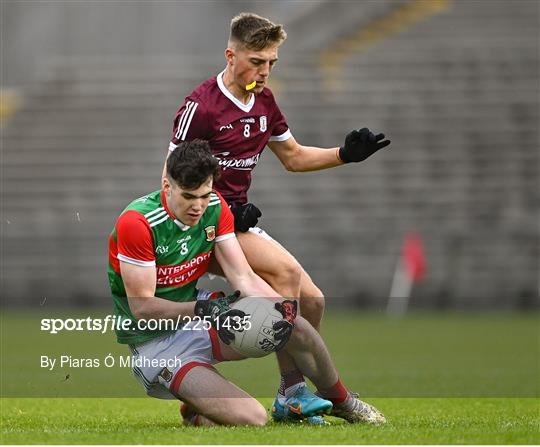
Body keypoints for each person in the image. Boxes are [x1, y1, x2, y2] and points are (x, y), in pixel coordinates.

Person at [164, 12, 391, 422]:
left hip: (237, 223)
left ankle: (223, 387)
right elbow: (170, 180)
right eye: (256, 61)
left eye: (271, 62)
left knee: (314, 302)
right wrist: (218, 207)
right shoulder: (201, 107)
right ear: (230, 55)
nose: (264, 71)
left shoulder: (264, 100)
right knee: (285, 276)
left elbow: (294, 157)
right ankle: (295, 395)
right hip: (200, 226)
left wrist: (345, 155)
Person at [111, 139, 386, 426]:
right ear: (167, 187)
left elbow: (243, 276)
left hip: (202, 320)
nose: (198, 206)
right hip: (157, 344)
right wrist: (204, 308)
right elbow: (142, 307)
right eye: (189, 197)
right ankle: (195, 408)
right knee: (254, 419)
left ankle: (343, 402)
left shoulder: (214, 207)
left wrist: (279, 307)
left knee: (294, 325)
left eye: (204, 195)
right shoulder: (137, 222)